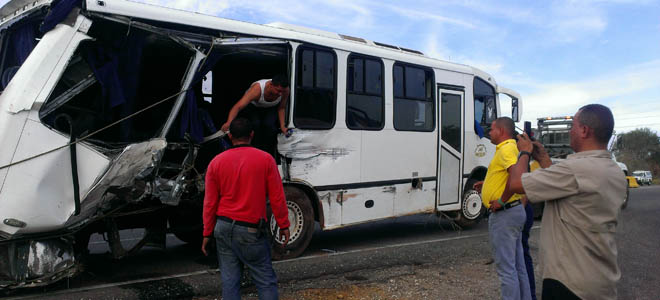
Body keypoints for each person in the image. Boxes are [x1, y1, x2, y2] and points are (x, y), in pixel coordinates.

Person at [504, 104, 626, 300]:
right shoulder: (614, 171)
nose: (570, 132)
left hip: (569, 282)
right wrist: (543, 159)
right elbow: (566, 186)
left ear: (585, 130)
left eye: (573, 126)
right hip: (601, 278)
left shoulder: (575, 168)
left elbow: (516, 184)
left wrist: (524, 153)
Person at [201, 118, 291, 300]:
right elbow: (277, 197)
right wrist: (284, 225)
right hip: (250, 230)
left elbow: (210, 203)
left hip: (223, 227)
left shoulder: (216, 162)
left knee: (230, 280)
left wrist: (207, 233)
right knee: (265, 280)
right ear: (252, 135)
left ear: (230, 136)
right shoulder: (265, 159)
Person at [474, 117, 532, 300]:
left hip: (505, 214)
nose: (489, 133)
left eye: (491, 129)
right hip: (514, 211)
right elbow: (509, 175)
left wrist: (501, 200)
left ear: (501, 131)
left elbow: (516, 177)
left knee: (507, 270)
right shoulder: (511, 148)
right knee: (518, 266)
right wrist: (488, 184)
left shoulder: (506, 149)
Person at [221, 74, 290, 136]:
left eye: (282, 91)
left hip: (270, 107)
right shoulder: (257, 89)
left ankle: (268, 146)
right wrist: (229, 122)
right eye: (278, 91)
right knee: (255, 124)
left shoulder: (285, 90)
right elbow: (238, 106)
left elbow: (282, 108)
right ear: (271, 85)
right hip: (253, 106)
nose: (280, 94)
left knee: (269, 125)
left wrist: (282, 126)